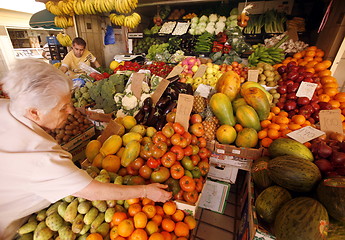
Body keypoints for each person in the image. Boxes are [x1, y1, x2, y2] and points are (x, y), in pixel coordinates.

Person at [0, 58, 171, 240]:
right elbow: (90, 190)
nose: (71, 111)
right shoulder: (40, 157)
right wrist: (145, 191)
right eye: (62, 108)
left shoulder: (6, 108)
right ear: (34, 112)